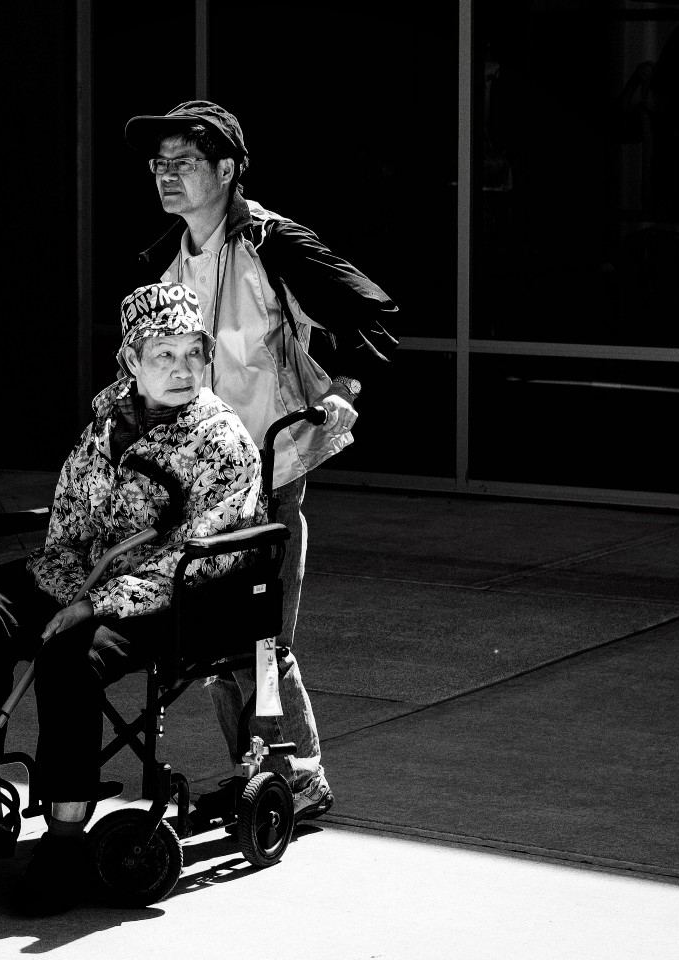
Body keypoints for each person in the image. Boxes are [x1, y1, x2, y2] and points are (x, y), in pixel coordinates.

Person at [0, 280, 266, 914]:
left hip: (174, 600)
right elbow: (72, 531)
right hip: (92, 577)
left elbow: (210, 547)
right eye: (165, 355)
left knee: (68, 658)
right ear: (132, 361)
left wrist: (96, 604)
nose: (184, 368)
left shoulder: (219, 438)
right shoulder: (105, 427)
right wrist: (58, 588)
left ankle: (64, 843)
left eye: (193, 352)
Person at [123, 101, 398, 824]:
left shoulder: (274, 244)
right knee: (214, 642)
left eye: (183, 163)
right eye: (159, 165)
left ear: (226, 170)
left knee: (260, 640)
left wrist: (342, 389)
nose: (166, 176)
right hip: (198, 482)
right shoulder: (165, 261)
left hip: (270, 471)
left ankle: (296, 771)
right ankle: (259, 771)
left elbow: (370, 317)